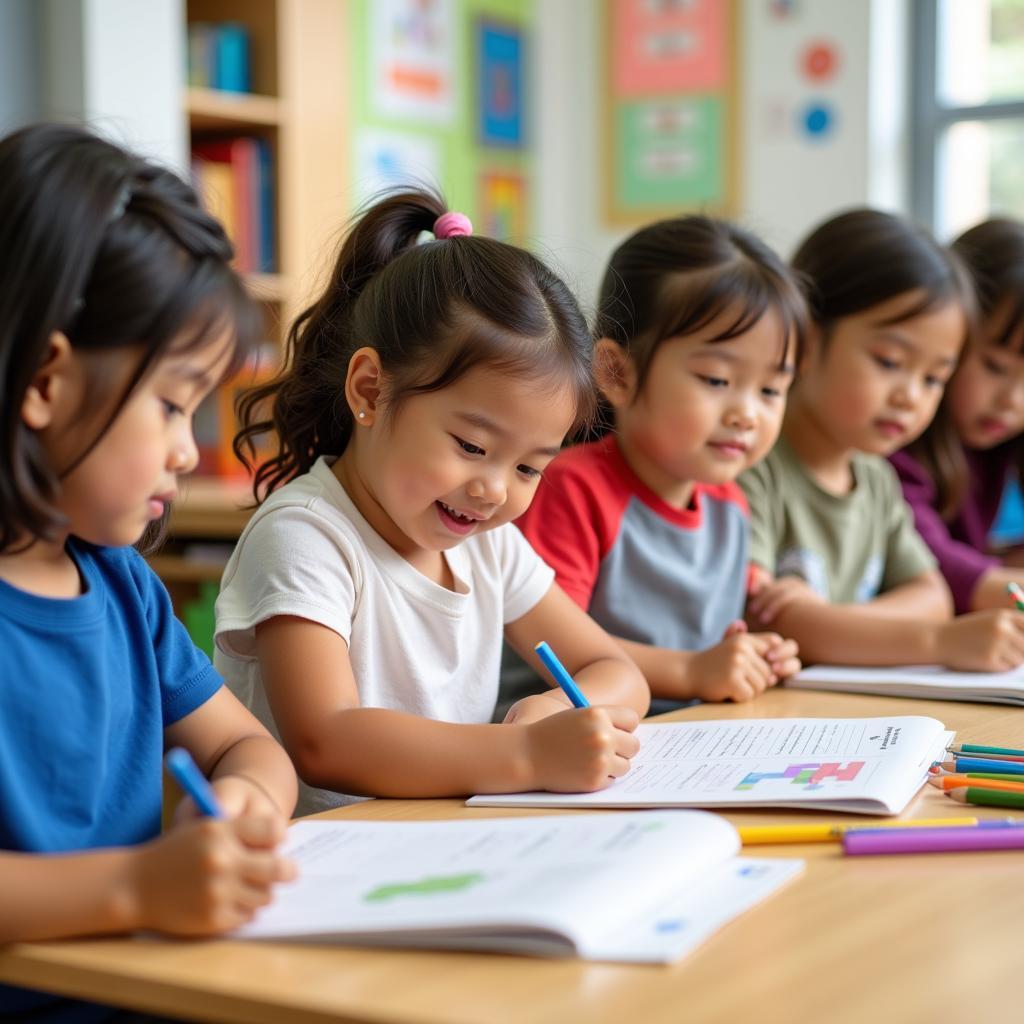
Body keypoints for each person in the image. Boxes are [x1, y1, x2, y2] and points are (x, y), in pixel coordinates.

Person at [214, 191, 649, 815]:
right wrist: (525, 756)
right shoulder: (306, 535)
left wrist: (553, 710)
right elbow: (325, 740)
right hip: (325, 869)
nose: (495, 490)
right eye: (472, 445)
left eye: (529, 466)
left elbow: (614, 667)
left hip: (439, 848)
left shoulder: (488, 544)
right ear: (370, 390)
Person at [0, 124, 299, 1021]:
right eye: (172, 404)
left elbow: (250, 746)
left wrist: (242, 804)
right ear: (47, 382)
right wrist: (135, 886)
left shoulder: (121, 585)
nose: (188, 450)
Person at [510, 216, 804, 710]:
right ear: (616, 372)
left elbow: (731, 624)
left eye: (771, 389)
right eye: (715, 379)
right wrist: (693, 671)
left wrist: (762, 650)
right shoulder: (572, 489)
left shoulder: (729, 503)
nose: (747, 414)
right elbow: (556, 649)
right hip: (563, 736)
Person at [742, 208, 1024, 671]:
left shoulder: (875, 478)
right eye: (890, 362)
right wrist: (938, 642)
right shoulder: (752, 467)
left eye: (935, 378)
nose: (911, 397)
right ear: (807, 341)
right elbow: (781, 627)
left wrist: (828, 621)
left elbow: (932, 596)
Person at [891, 218, 1024, 611]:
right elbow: (932, 560)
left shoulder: (999, 444)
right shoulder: (896, 438)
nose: (1012, 399)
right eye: (994, 367)